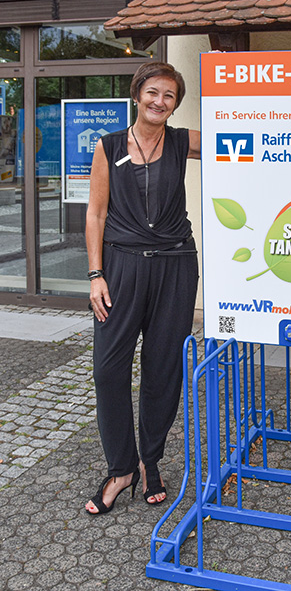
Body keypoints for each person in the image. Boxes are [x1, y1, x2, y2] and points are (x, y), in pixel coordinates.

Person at [85, 61, 200, 514]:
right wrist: (96, 275)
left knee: (163, 367)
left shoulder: (182, 141)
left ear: (175, 104)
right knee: (108, 369)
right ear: (138, 94)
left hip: (175, 266)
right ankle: (121, 467)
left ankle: (150, 460)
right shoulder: (109, 145)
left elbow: (250, 138)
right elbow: (95, 214)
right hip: (121, 267)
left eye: (169, 96)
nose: (159, 101)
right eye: (153, 92)